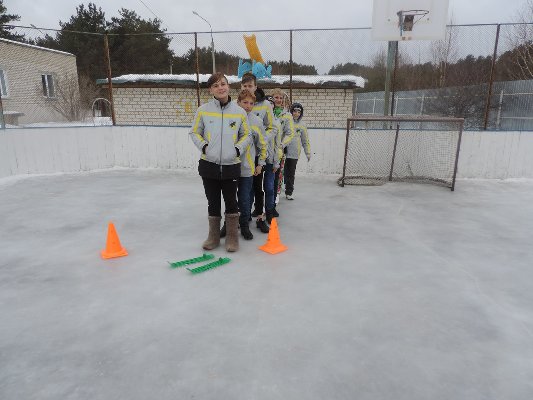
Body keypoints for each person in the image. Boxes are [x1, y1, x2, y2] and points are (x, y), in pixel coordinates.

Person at [189, 72, 251, 252]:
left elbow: (246, 134)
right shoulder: (203, 110)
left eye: (223, 83)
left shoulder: (239, 112)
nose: (220, 88)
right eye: (215, 85)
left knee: (232, 202)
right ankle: (213, 237)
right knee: (213, 202)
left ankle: (232, 238)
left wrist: (237, 149)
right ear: (211, 90)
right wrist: (205, 147)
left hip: (231, 166)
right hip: (209, 165)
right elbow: (194, 132)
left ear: (228, 86)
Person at [220, 89, 267, 240]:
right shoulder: (230, 117)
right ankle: (228, 224)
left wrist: (260, 164)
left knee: (245, 198)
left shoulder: (257, 122)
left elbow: (262, 145)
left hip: (247, 168)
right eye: (244, 102)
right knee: (230, 198)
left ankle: (244, 225)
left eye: (251, 103)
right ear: (238, 102)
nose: (247, 106)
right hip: (230, 166)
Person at [241, 72, 275, 233]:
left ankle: (261, 217)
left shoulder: (266, 105)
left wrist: (261, 138)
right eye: (245, 86)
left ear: (256, 86)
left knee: (258, 187)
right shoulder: (237, 105)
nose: (248, 88)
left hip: (257, 155)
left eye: (250, 86)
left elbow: (272, 127)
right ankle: (244, 216)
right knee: (242, 189)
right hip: (240, 156)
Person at [269, 88, 295, 222]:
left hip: (278, 153)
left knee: (274, 180)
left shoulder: (287, 116)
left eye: (280, 98)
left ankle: (272, 205)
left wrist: (281, 145)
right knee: (262, 181)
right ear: (272, 98)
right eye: (276, 97)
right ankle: (259, 206)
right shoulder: (267, 111)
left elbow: (290, 133)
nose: (278, 100)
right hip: (265, 151)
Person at [284, 102, 311, 200]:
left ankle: (289, 192)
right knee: (282, 173)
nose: (296, 113)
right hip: (283, 152)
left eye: (299, 112)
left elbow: (305, 140)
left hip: (294, 153)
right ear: (291, 111)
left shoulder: (302, 125)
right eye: (294, 111)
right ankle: (279, 190)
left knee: (291, 174)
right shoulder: (286, 120)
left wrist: (307, 152)